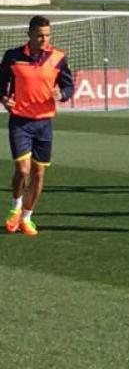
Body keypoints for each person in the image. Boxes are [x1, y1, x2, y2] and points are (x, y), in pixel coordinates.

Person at [1, 15, 74, 236]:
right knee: (22, 170)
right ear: (30, 34)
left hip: (44, 123)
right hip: (20, 121)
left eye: (48, 35)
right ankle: (15, 206)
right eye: (40, 35)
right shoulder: (13, 57)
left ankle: (27, 218)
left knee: (39, 173)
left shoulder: (58, 57)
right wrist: (4, 98)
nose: (44, 39)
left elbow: (69, 86)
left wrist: (61, 94)